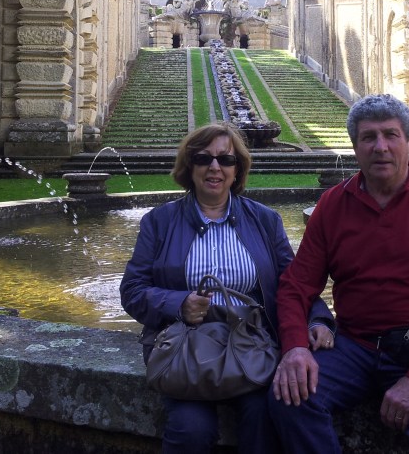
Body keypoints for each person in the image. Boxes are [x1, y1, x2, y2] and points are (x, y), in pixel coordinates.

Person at [268, 94, 409, 454]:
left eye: (390, 135)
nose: (380, 147)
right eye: (369, 137)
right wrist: (294, 347)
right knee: (288, 397)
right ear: (355, 147)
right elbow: (296, 286)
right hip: (356, 347)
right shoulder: (333, 205)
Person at [120, 122, 335, 454]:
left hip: (251, 345)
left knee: (265, 417)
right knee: (190, 430)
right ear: (189, 166)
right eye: (203, 158)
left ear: (238, 170)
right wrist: (178, 303)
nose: (215, 167)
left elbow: (292, 280)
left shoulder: (265, 220)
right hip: (184, 350)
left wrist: (317, 319)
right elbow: (132, 290)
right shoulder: (159, 222)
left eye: (226, 160)